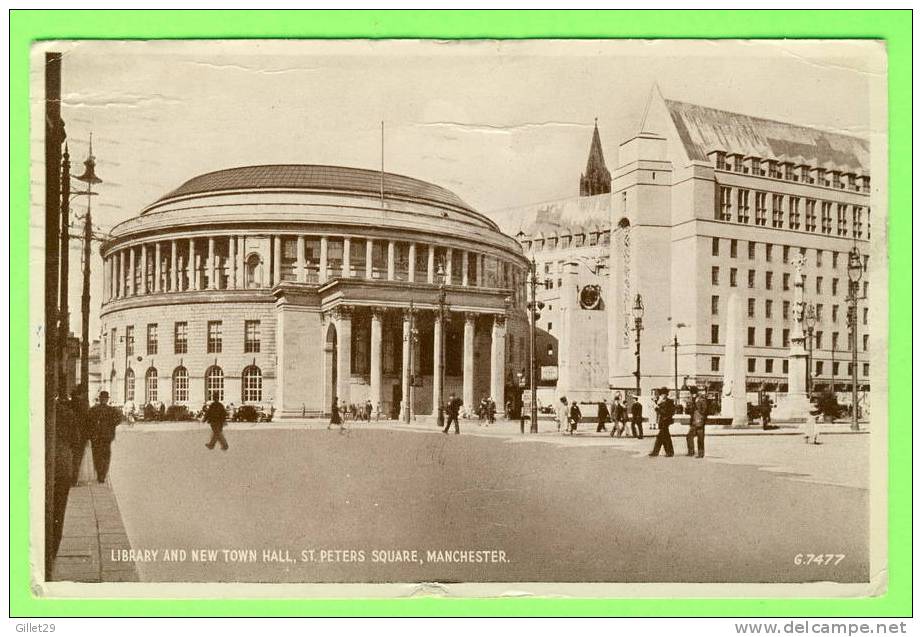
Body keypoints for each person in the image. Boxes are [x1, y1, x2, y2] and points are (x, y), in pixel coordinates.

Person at [88, 391, 123, 481]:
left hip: (98, 436)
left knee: (98, 455)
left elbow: (88, 422)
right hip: (105, 436)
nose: (104, 400)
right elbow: (119, 419)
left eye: (104, 398)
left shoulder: (94, 409)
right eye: (103, 398)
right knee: (104, 455)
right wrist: (112, 426)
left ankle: (101, 473)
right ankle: (102, 473)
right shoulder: (111, 410)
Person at [649, 388, 675, 457]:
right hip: (662, 421)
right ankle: (668, 452)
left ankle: (658, 452)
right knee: (664, 437)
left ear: (666, 394)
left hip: (665, 421)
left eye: (664, 394)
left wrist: (657, 408)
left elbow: (664, 412)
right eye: (662, 394)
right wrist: (657, 405)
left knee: (662, 438)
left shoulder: (669, 402)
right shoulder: (662, 402)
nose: (663, 396)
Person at [686, 387, 707, 458]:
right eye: (692, 394)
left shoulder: (701, 399)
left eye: (693, 393)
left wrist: (695, 405)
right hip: (693, 422)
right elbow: (689, 412)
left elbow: (704, 410)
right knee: (689, 437)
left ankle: (701, 454)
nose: (692, 395)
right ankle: (691, 452)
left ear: (696, 393)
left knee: (700, 439)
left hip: (700, 421)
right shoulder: (692, 400)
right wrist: (688, 406)